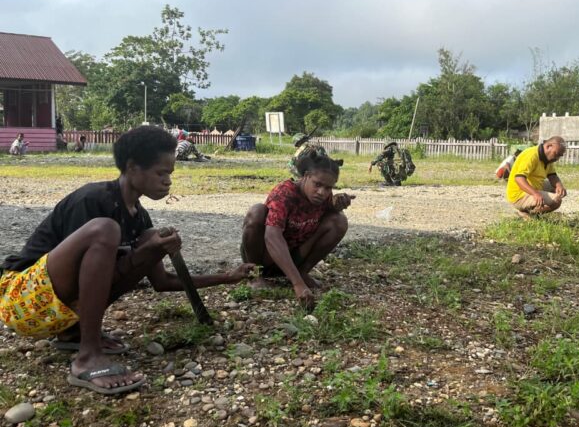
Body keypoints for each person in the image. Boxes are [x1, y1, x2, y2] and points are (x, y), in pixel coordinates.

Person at [0, 126, 254, 395]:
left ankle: (73, 333)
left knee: (151, 238)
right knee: (106, 230)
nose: (167, 181)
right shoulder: (92, 200)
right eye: (161, 173)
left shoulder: (140, 217)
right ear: (132, 168)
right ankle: (88, 355)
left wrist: (228, 277)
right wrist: (145, 252)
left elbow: (162, 282)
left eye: (170, 174)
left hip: (57, 310)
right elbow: (79, 278)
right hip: (20, 301)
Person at [241, 152, 354, 311]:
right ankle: (254, 276)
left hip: (294, 256)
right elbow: (272, 236)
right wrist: (297, 284)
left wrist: (338, 204)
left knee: (339, 220)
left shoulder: (323, 197)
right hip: (265, 256)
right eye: (317, 184)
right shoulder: (285, 193)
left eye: (328, 188)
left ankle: (302, 272)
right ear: (306, 176)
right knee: (256, 211)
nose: (322, 192)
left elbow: (329, 214)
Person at [505, 136, 568, 217]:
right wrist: (535, 194)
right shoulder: (531, 155)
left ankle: (529, 210)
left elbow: (552, 176)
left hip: (534, 187)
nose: (557, 158)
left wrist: (559, 186)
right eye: (556, 154)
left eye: (560, 156)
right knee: (557, 201)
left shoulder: (548, 159)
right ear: (549, 146)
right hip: (519, 195)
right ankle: (527, 213)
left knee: (556, 188)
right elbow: (519, 179)